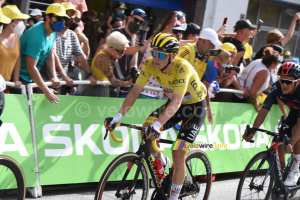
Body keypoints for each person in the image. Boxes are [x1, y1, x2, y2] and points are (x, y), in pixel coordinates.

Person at [105, 33, 207, 200]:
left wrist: (158, 125)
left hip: (195, 108)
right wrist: (118, 116)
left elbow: (176, 101)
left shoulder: (183, 67)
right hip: (177, 105)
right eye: (154, 53)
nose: (156, 58)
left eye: (160, 54)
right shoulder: (150, 64)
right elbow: (135, 91)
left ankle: (173, 197)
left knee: (178, 152)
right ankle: (160, 162)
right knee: (145, 128)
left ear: (173, 56)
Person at [243, 62, 300, 186]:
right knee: (280, 144)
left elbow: (299, 125)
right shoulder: (277, 87)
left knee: (296, 138)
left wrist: (291, 143)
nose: (284, 84)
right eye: (282, 80)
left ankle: (295, 169)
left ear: (297, 81)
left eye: (289, 82)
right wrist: (253, 130)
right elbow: (263, 111)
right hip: (295, 111)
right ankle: (283, 174)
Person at [16, 3, 70, 103]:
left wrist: (53, 76)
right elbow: (30, 67)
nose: (61, 21)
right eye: (58, 18)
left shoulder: (51, 31)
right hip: (21, 79)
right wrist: (46, 90)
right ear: (48, 18)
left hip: (30, 78)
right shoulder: (37, 37)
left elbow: (49, 53)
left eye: (63, 18)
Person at [40, 2, 96, 95]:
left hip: (63, 83)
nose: (71, 18)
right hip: (48, 82)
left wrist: (90, 75)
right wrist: (59, 77)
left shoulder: (72, 35)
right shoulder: (52, 32)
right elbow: (52, 56)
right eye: (68, 15)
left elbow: (82, 56)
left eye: (72, 15)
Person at [178, 28, 231, 124]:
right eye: (211, 44)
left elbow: (226, 58)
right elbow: (174, 70)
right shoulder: (187, 50)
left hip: (190, 95)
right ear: (203, 41)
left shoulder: (206, 54)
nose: (213, 46)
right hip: (177, 93)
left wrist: (217, 50)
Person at [109, 8, 147, 97]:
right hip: (110, 80)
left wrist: (134, 71)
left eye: (141, 22)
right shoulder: (117, 32)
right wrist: (138, 47)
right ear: (130, 18)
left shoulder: (135, 39)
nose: (138, 24)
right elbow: (124, 51)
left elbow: (133, 61)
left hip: (123, 83)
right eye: (136, 20)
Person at [82, 31, 132, 96]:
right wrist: (128, 83)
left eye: (124, 51)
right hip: (96, 91)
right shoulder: (103, 58)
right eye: (122, 52)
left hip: (102, 89)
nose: (123, 54)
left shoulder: (107, 53)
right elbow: (114, 82)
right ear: (112, 50)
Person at [233, 47, 280, 111]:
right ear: (273, 63)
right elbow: (252, 93)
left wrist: (259, 90)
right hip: (242, 98)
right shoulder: (264, 72)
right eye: (278, 61)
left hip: (237, 93)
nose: (279, 63)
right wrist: (257, 105)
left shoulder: (258, 61)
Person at [0, 5, 24, 91]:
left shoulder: (16, 37)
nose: (22, 22)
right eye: (19, 20)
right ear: (9, 22)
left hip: (6, 85)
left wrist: (16, 80)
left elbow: (18, 59)